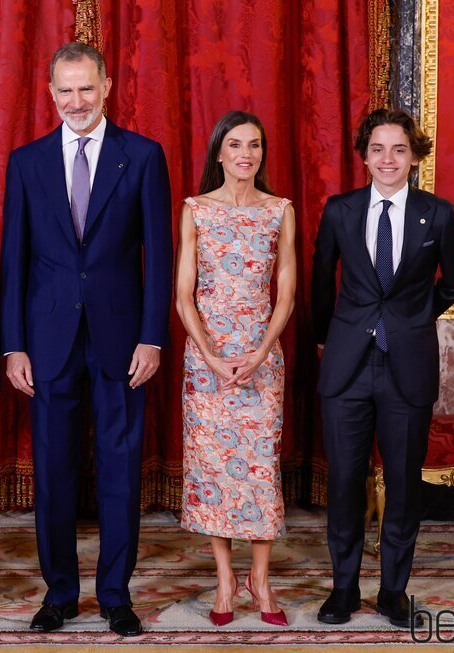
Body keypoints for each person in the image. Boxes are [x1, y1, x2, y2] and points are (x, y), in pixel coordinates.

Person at [0, 42, 172, 637]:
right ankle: (60, 593)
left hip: (122, 339)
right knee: (53, 468)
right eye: (65, 90)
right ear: (51, 94)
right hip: (47, 341)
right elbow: (14, 259)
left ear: (106, 89)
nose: (76, 100)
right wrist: (12, 344)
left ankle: (116, 595)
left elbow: (159, 255)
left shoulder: (144, 156)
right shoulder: (26, 162)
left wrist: (152, 337)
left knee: (120, 467)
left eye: (86, 89)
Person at [311, 109, 454, 628]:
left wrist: (415, 317)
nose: (387, 159)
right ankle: (343, 588)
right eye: (377, 149)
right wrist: (323, 338)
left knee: (403, 482)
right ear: (363, 156)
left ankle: (394, 590)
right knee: (345, 483)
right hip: (346, 367)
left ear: (415, 157)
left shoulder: (438, 214)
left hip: (408, 365)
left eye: (399, 150)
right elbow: (320, 280)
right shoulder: (340, 210)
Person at [175, 111, 296, 628]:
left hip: (261, 360)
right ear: (218, 153)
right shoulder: (195, 209)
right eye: (236, 145)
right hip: (208, 363)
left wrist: (262, 351)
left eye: (255, 145)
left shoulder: (279, 210)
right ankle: (225, 577)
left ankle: (260, 578)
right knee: (215, 469)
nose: (246, 154)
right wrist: (210, 356)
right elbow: (183, 296)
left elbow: (286, 293)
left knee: (260, 469)